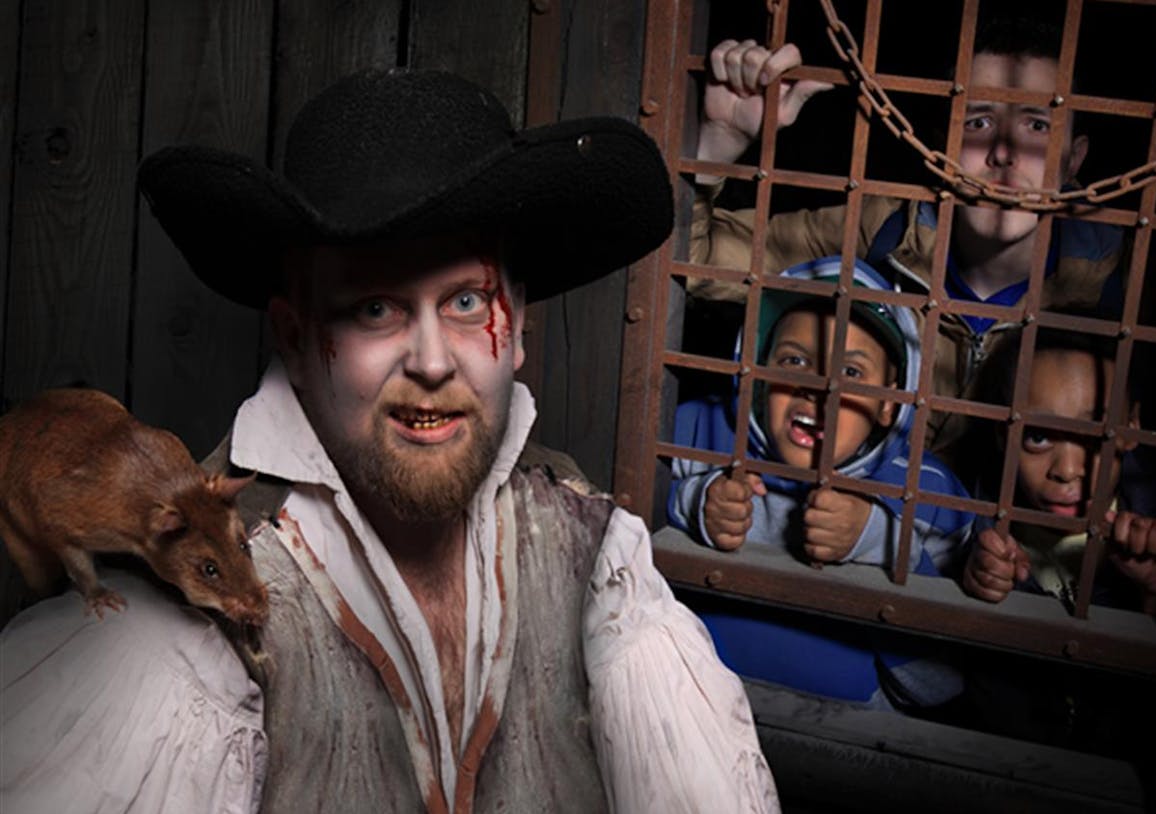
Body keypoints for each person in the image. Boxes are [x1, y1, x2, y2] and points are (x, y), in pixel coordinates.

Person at [0, 69, 779, 813]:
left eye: (468, 300)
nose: (433, 361)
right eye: (375, 309)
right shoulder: (160, 644)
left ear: (517, 330)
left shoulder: (598, 553)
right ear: (297, 338)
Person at [687, 15, 1156, 457]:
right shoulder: (878, 227)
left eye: (1036, 125)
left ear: (1075, 158)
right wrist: (719, 142)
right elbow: (700, 260)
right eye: (977, 122)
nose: (1003, 152)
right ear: (940, 148)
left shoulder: (1117, 279)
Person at [668, 255, 973, 709]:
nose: (819, 388)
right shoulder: (697, 430)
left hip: (854, 745)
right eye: (793, 360)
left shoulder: (928, 493)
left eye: (851, 373)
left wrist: (876, 544)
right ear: (758, 371)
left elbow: (938, 687)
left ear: (892, 402)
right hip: (690, 711)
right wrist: (695, 503)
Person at [958, 326, 1156, 616]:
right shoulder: (964, 521)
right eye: (1038, 437)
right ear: (1002, 436)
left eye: (1095, 436)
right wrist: (973, 583)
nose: (1067, 471)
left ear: (1131, 427)